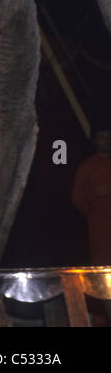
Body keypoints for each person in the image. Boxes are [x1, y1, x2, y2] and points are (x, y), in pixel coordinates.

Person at [71, 126, 111, 324]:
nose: (106, 141)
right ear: (94, 141)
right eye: (102, 137)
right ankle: (102, 318)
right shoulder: (87, 167)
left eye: (109, 137)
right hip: (100, 229)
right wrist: (95, 215)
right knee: (103, 274)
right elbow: (77, 198)